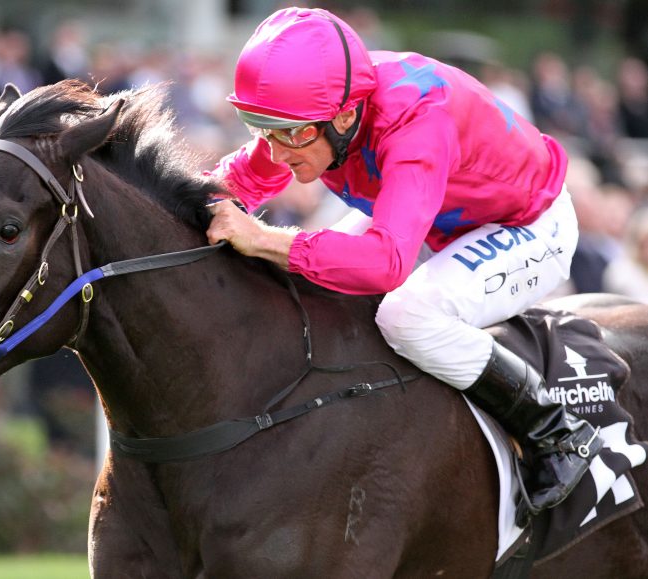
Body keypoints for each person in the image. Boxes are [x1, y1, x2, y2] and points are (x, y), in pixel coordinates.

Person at [205, 7, 600, 513]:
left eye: (290, 134)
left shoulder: (413, 120)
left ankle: (555, 430)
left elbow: (386, 263)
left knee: (405, 314)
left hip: (528, 223)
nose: (277, 152)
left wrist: (263, 239)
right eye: (263, 128)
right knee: (313, 278)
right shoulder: (318, 110)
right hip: (434, 215)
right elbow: (236, 182)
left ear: (344, 117)